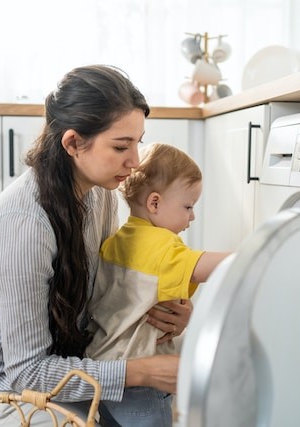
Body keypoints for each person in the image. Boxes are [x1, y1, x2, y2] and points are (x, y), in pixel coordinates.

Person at [0, 65, 193, 427]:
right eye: (121, 146)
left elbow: (107, 290)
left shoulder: (98, 195)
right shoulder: (25, 223)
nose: (135, 161)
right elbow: (27, 372)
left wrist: (164, 307)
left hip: (61, 355)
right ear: (73, 143)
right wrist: (140, 372)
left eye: (138, 142)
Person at [85, 143, 231, 426]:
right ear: (154, 203)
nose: (192, 216)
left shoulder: (118, 239)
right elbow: (206, 267)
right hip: (142, 379)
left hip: (106, 370)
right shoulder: (163, 247)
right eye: (188, 206)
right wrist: (260, 252)